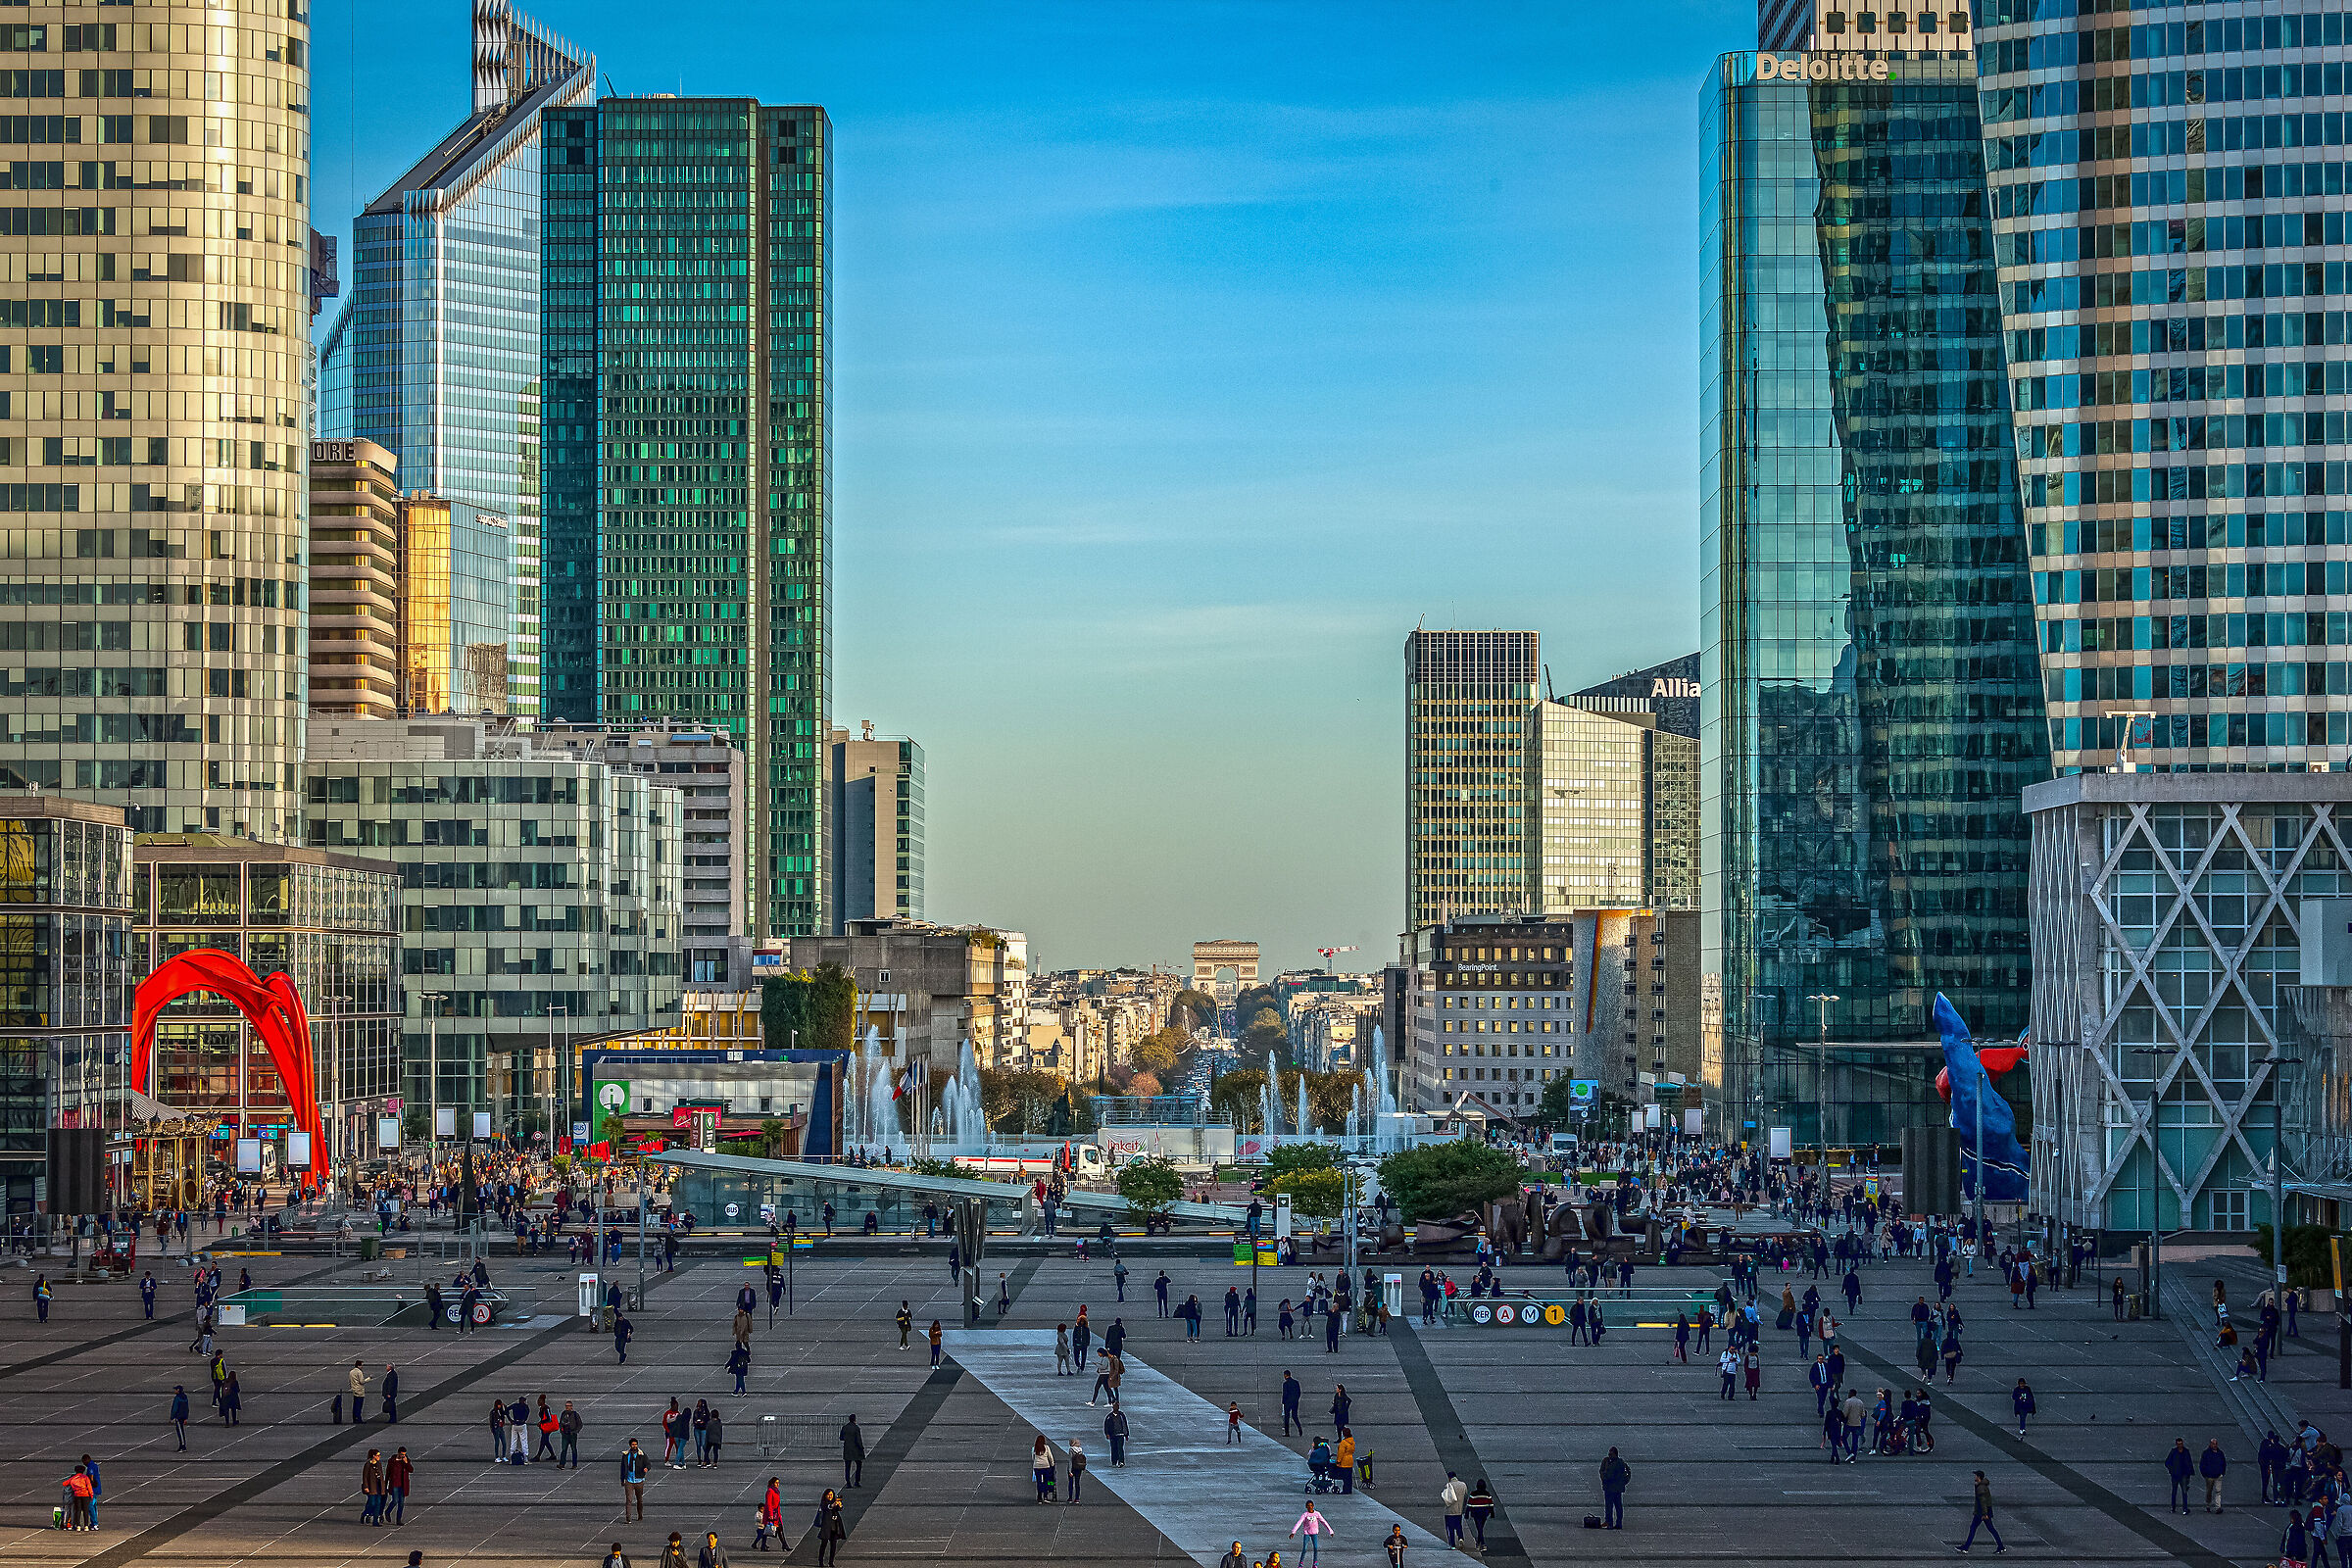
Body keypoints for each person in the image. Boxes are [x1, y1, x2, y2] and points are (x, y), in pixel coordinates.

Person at [1958, 1470, 2004, 1553]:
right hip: (1985, 1511)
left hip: (1981, 1512)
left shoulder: (1980, 1488)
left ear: (1978, 1477)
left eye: (1975, 1476)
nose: (1975, 1477)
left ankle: (1966, 1548)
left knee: (1973, 1528)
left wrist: (1984, 1514)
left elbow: (1982, 1501)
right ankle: (2001, 1546)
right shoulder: (1981, 1486)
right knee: (1991, 1529)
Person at [1292, 1501, 1335, 1565]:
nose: (1310, 1507)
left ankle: (1315, 1563)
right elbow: (1299, 1523)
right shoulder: (1305, 1515)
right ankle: (1301, 1563)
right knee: (1305, 1548)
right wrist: (1293, 1532)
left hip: (1314, 1533)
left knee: (1315, 1548)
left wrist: (1330, 1531)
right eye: (1308, 1506)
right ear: (1306, 1507)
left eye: (1311, 1506)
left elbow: (1324, 1522)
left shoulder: (1317, 1514)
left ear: (1313, 1506)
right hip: (1307, 1533)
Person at [1598, 1447, 1630, 1530]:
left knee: (1609, 1506)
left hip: (1610, 1488)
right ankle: (1618, 1523)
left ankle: (1609, 1523)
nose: (1609, 1456)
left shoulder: (1613, 1463)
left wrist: (1604, 1476)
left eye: (1611, 1454)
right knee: (1618, 1506)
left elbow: (1608, 1475)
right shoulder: (1621, 1462)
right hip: (1618, 1488)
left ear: (1615, 1454)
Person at [620, 1439, 649, 1521]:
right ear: (630, 1445)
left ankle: (640, 1515)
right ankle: (628, 1517)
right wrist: (622, 1479)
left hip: (639, 1480)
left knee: (639, 1500)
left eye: (636, 1444)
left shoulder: (642, 1455)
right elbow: (622, 1468)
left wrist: (646, 1468)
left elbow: (648, 1464)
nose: (635, 1446)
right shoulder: (626, 1455)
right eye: (633, 1444)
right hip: (629, 1481)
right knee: (629, 1500)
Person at [2164, 1439, 2195, 1513]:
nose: (2180, 1445)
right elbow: (2167, 1462)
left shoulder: (2184, 1452)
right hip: (2176, 1475)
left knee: (2183, 1492)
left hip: (2183, 1475)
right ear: (2176, 1444)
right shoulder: (2174, 1452)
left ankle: (2183, 1508)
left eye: (2181, 1444)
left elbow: (2189, 1463)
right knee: (2176, 1492)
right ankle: (2174, 1508)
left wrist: (2189, 1474)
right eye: (2178, 1444)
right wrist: (2172, 1471)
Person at [755, 1478, 785, 1552]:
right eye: (776, 1482)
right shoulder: (770, 1491)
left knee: (773, 1530)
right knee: (768, 1530)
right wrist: (771, 1514)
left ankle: (784, 1545)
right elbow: (769, 1504)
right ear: (772, 1483)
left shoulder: (776, 1491)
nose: (778, 1484)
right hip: (771, 1514)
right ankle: (784, 1545)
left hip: (776, 1514)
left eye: (778, 1482)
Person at [1465, 1478, 1496, 1547]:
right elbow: (1491, 1504)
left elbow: (1469, 1504)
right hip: (1484, 1513)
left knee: (1479, 1528)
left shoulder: (1473, 1494)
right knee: (1480, 1527)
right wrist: (1492, 1513)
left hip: (1476, 1513)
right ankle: (1479, 1542)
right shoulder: (1487, 1494)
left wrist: (1467, 1513)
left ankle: (1482, 1543)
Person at [2201, 1438, 2229, 1512]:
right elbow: (2202, 1465)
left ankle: (2218, 1507)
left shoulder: (2220, 1453)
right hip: (2209, 1476)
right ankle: (2208, 1504)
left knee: (2218, 1491)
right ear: (2210, 1444)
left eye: (2216, 1443)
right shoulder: (2206, 1453)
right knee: (2209, 1491)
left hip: (2218, 1475)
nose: (2215, 1445)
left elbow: (2224, 1463)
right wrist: (2205, 1474)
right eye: (2213, 1444)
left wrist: (2222, 1472)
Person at [361, 1448, 387, 1526]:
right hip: (371, 1486)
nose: (379, 1457)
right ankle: (365, 1513)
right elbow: (364, 1476)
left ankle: (375, 1521)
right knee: (372, 1503)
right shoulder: (368, 1464)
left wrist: (383, 1486)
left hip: (379, 1486)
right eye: (378, 1455)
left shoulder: (379, 1463)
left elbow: (381, 1474)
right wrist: (365, 1486)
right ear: (373, 1456)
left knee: (378, 1503)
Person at [386, 1446, 413, 1525]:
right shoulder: (392, 1461)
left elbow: (411, 1470)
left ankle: (398, 1520)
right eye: (401, 1454)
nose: (403, 1456)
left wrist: (406, 1462)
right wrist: (385, 1483)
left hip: (403, 1485)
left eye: (404, 1455)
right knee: (395, 1501)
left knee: (401, 1503)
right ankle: (388, 1511)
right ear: (398, 1453)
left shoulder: (405, 1460)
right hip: (394, 1484)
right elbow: (388, 1473)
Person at [840, 1414, 865, 1487]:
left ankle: (848, 1482)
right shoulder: (856, 1428)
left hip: (847, 1449)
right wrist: (861, 1448)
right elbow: (858, 1440)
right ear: (855, 1419)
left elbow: (841, 1437)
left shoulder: (844, 1427)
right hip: (856, 1449)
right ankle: (857, 1481)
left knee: (847, 1466)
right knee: (859, 1465)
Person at [1104, 1399, 1129, 1466]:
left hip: (1120, 1434)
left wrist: (1126, 1434)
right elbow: (1106, 1426)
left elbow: (1125, 1424)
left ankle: (1121, 1461)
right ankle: (1114, 1461)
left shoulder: (1121, 1415)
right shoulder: (1109, 1416)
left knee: (1120, 1448)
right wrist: (1107, 1434)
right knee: (1113, 1448)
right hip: (1113, 1435)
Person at [559, 1401, 583, 1468]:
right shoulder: (563, 1414)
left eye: (568, 1406)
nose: (567, 1407)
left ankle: (574, 1464)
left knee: (574, 1449)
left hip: (572, 1435)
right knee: (564, 1449)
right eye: (566, 1405)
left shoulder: (575, 1414)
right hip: (565, 1434)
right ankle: (562, 1464)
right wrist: (561, 1430)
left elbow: (580, 1424)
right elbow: (560, 1422)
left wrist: (575, 1431)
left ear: (571, 1407)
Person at [1032, 1434, 1056, 1503]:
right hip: (1045, 1466)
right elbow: (1050, 1457)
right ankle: (1045, 1496)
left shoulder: (1034, 1448)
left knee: (1039, 1482)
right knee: (1046, 1481)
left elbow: (1033, 1458)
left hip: (1037, 1466)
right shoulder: (1046, 1447)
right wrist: (1052, 1464)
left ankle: (1039, 1497)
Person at [1282, 1372, 1303, 1436]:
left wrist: (1283, 1402)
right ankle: (1300, 1429)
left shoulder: (1285, 1384)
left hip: (1287, 1403)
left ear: (1285, 1375)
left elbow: (1285, 1394)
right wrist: (1296, 1400)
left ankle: (1287, 1432)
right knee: (1295, 1416)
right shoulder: (1296, 1382)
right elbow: (1299, 1392)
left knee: (1287, 1417)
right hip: (1295, 1402)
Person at [171, 1385, 190, 1451]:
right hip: (184, 1416)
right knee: (181, 1431)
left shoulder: (177, 1398)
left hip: (178, 1417)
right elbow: (187, 1408)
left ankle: (182, 1446)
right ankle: (182, 1445)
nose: (175, 1391)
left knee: (180, 1431)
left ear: (178, 1390)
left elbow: (175, 1408)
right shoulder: (185, 1397)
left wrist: (172, 1417)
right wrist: (186, 1417)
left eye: (176, 1389)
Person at [349, 1359, 369, 1424]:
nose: (362, 1367)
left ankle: (354, 1418)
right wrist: (368, 1379)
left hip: (354, 1390)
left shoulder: (351, 1372)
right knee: (359, 1406)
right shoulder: (359, 1372)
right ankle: (359, 1419)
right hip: (360, 1391)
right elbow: (362, 1381)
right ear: (358, 1365)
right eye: (361, 1365)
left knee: (355, 1406)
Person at [1067, 1437, 1087, 1503]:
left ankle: (1070, 1498)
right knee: (1077, 1483)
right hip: (1079, 1467)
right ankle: (1077, 1498)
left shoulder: (1071, 1449)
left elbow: (1070, 1460)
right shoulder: (1080, 1450)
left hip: (1073, 1468)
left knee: (1071, 1483)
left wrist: (1069, 1470)